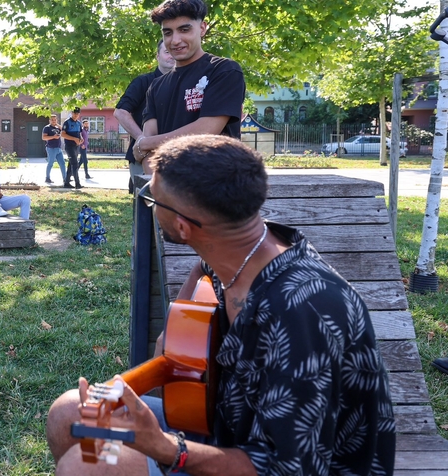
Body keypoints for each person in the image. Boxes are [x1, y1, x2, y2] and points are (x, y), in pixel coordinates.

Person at [46, 135, 396, 475]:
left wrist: (163, 447)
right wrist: (177, 327)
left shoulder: (303, 314)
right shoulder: (240, 243)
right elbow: (204, 268)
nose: (150, 203)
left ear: (182, 227)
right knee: (69, 412)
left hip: (274, 462)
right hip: (224, 427)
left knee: (87, 466)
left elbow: (285, 466)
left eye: (153, 199)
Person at [132, 0, 246, 173]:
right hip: (167, 190)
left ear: (202, 28)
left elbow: (206, 131)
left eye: (184, 30)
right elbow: (148, 152)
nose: (175, 40)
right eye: (168, 32)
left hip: (217, 189)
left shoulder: (224, 71)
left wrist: (145, 143)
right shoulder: (156, 86)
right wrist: (159, 193)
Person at [114, 39, 174, 192]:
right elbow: (120, 112)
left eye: (174, 50)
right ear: (157, 56)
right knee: (146, 209)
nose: (171, 55)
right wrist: (144, 141)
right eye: (167, 51)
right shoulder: (143, 82)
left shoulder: (189, 85)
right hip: (143, 157)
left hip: (177, 157)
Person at [62, 107, 84, 189]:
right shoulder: (67, 122)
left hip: (76, 146)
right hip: (69, 146)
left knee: (71, 164)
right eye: (75, 113)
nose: (76, 115)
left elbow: (80, 133)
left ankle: (66, 183)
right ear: (72, 113)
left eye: (78, 114)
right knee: (75, 164)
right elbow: (63, 134)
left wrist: (81, 138)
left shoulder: (78, 123)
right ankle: (77, 184)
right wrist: (74, 139)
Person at [42, 114, 66, 184]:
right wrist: (53, 137)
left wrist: (58, 125)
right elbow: (44, 138)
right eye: (52, 120)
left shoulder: (57, 127)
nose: (53, 121)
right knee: (50, 163)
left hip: (58, 148)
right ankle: (47, 178)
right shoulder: (47, 128)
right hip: (51, 148)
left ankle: (65, 179)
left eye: (55, 120)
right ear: (49, 120)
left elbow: (64, 130)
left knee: (62, 163)